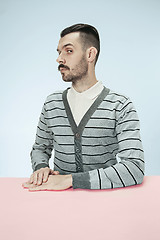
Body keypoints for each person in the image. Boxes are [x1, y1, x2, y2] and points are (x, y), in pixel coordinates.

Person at [23, 23, 145, 191]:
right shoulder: (52, 103)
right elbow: (40, 148)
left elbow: (134, 169)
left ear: (90, 54)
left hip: (107, 203)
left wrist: (71, 180)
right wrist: (41, 167)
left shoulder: (121, 106)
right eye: (59, 52)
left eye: (69, 51)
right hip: (57, 203)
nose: (59, 59)